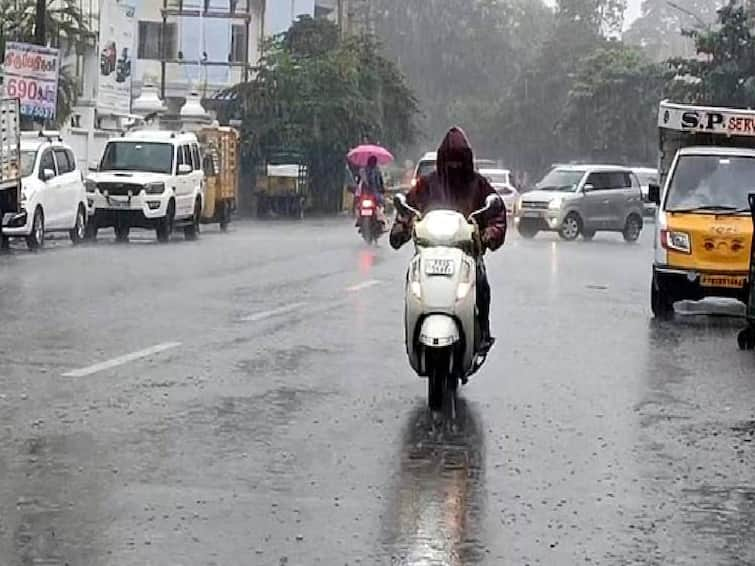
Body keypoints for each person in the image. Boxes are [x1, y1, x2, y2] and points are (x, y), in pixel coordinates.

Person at [390, 127, 506, 352]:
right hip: (429, 251)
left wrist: (488, 235)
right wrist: (400, 229)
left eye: (459, 160)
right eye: (450, 161)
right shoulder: (426, 184)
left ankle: (482, 332)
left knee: (481, 286)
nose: (454, 166)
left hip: (467, 253)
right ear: (443, 160)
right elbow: (408, 210)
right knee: (412, 286)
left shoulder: (478, 185)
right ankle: (413, 334)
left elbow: (497, 215)